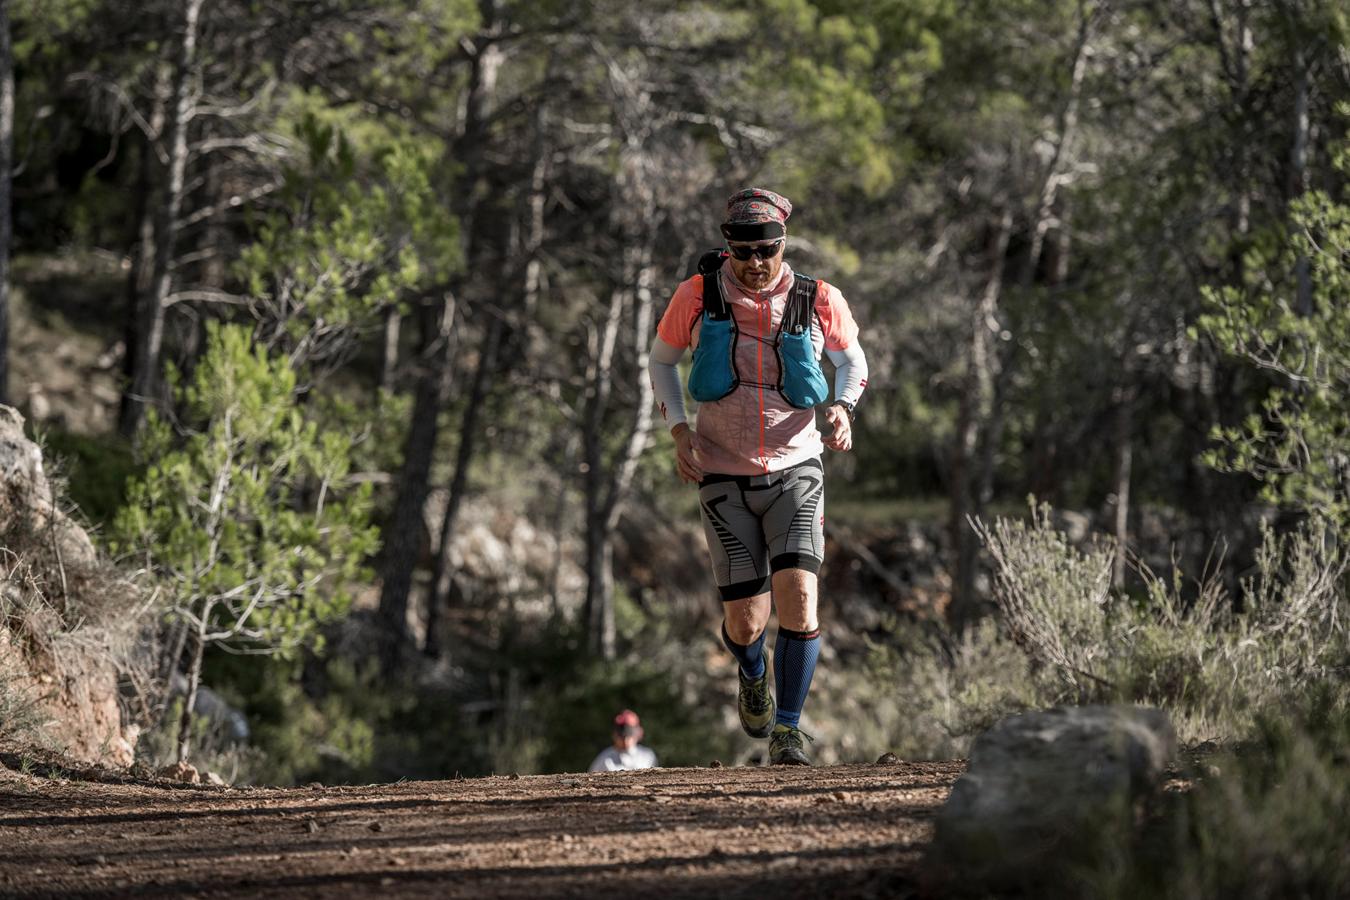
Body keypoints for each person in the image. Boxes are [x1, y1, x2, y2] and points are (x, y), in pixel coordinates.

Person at [648, 188, 867, 766]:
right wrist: (678, 431)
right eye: (741, 250)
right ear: (727, 246)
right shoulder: (695, 295)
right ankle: (751, 672)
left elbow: (853, 359)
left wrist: (842, 405)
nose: (754, 261)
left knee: (800, 599)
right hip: (722, 473)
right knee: (746, 622)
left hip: (798, 467)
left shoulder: (818, 297)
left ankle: (789, 729)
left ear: (782, 244)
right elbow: (661, 361)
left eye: (765, 249)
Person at [588, 709, 658, 772]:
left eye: (629, 735)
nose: (625, 740)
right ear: (614, 735)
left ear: (639, 733)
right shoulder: (605, 758)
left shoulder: (647, 756)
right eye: (621, 736)